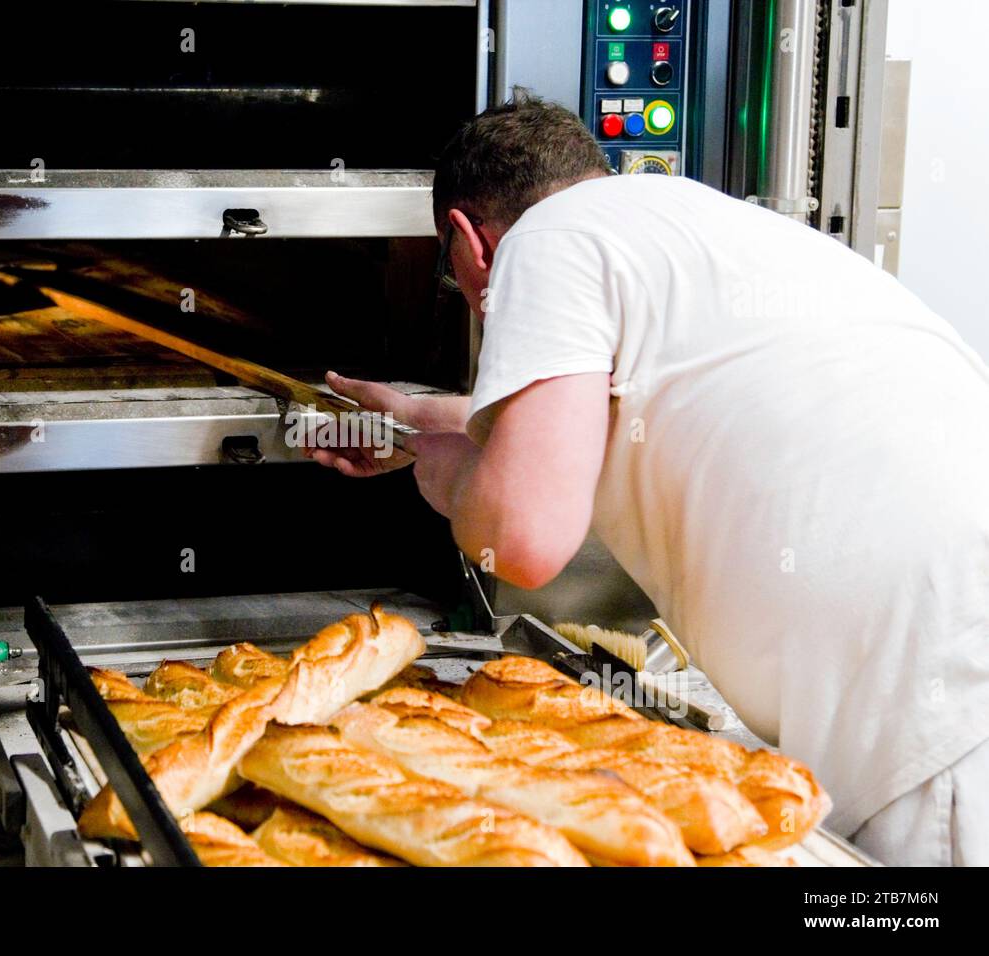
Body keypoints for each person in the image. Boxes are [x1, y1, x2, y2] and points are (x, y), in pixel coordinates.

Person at [306, 98, 989, 866]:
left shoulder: (543, 243)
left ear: (470, 242)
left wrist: (443, 472)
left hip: (935, 713)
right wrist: (424, 421)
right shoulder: (685, 219)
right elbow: (592, 414)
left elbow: (523, 537)